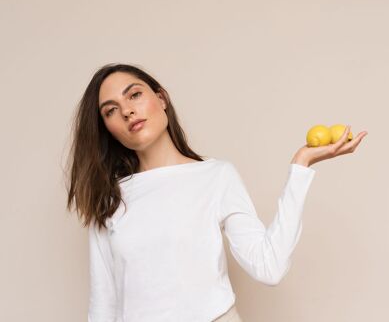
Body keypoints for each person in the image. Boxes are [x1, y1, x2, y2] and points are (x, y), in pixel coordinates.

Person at [64, 63, 368, 322]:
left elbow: (269, 266)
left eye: (135, 95)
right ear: (107, 128)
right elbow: (103, 305)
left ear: (161, 98)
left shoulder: (216, 176)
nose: (128, 111)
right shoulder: (109, 198)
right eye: (111, 111)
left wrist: (301, 166)